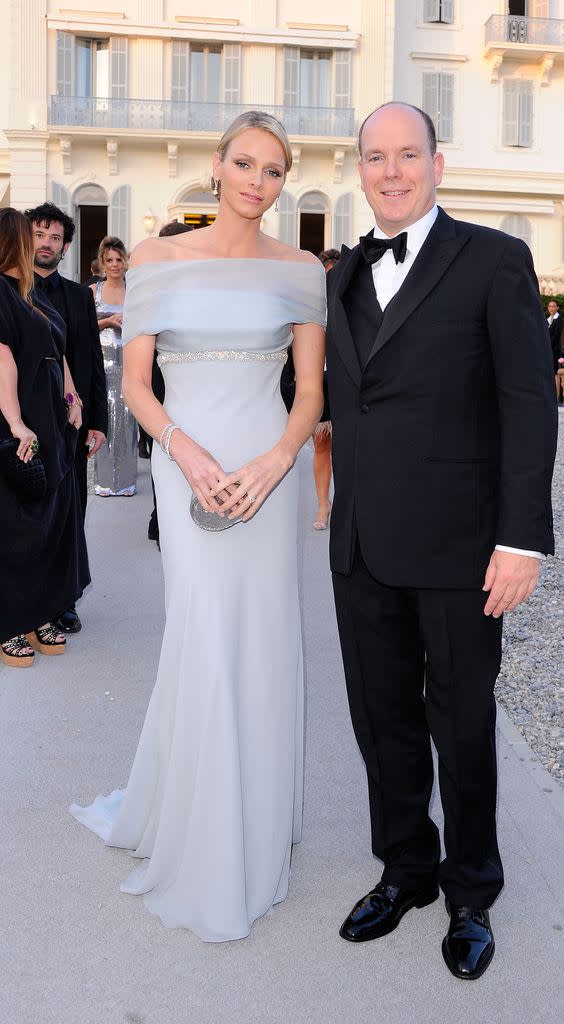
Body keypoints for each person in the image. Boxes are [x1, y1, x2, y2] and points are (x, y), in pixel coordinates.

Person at [70, 110, 326, 942]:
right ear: (217, 166)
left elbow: (312, 395)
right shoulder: (155, 259)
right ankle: (204, 833)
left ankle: (252, 821)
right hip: (189, 471)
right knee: (204, 634)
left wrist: (275, 462)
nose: (258, 181)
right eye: (245, 163)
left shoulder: (300, 270)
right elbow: (139, 386)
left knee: (262, 637)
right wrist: (186, 453)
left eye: (275, 170)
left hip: (268, 473)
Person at [325, 103, 557, 980]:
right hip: (363, 546)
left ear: (437, 162)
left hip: (464, 550)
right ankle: (406, 870)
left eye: (407, 155)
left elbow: (528, 405)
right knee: (380, 722)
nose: (392, 171)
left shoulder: (495, 260)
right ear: (360, 170)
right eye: (376, 158)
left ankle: (470, 893)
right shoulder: (341, 273)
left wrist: (521, 540)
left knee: (460, 725)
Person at [0, 208, 90, 667]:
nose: (38, 243)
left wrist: (73, 397)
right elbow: (3, 361)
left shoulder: (31, 293)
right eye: (28, 235)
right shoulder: (0, 292)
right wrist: (15, 423)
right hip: (23, 419)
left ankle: (37, 614)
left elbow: (60, 350)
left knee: (50, 521)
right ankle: (10, 622)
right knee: (19, 527)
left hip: (54, 420)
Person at [25, 201, 108, 635]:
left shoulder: (79, 296)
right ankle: (27, 602)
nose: (46, 243)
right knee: (30, 513)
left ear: (65, 246)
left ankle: (64, 601)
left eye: (55, 237)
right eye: (39, 235)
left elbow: (90, 360)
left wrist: (99, 422)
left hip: (71, 427)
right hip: (23, 423)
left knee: (71, 512)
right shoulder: (10, 290)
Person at [280, 247, 340, 529]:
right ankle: (322, 505)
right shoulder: (307, 305)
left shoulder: (353, 304)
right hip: (320, 380)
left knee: (350, 449)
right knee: (322, 446)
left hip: (346, 382)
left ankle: (347, 504)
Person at [145, 220, 194, 547]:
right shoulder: (153, 287)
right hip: (155, 381)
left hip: (186, 382)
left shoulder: (197, 285)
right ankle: (161, 518)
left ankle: (168, 518)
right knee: (162, 449)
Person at [92, 236, 137, 496]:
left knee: (128, 421)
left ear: (125, 261)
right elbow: (84, 327)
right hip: (102, 364)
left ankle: (127, 482)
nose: (115, 264)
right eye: (109, 260)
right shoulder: (93, 292)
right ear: (102, 263)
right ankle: (104, 481)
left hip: (129, 362)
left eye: (119, 259)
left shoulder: (134, 291)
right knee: (104, 420)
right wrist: (108, 321)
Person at [547, 298, 564, 400]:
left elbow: (556, 336)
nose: (551, 308)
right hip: (548, 350)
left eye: (553, 306)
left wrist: (548, 345)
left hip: (555, 350)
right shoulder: (548, 319)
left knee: (556, 373)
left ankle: (557, 396)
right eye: (549, 306)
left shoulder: (559, 319)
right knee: (550, 373)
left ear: (557, 308)